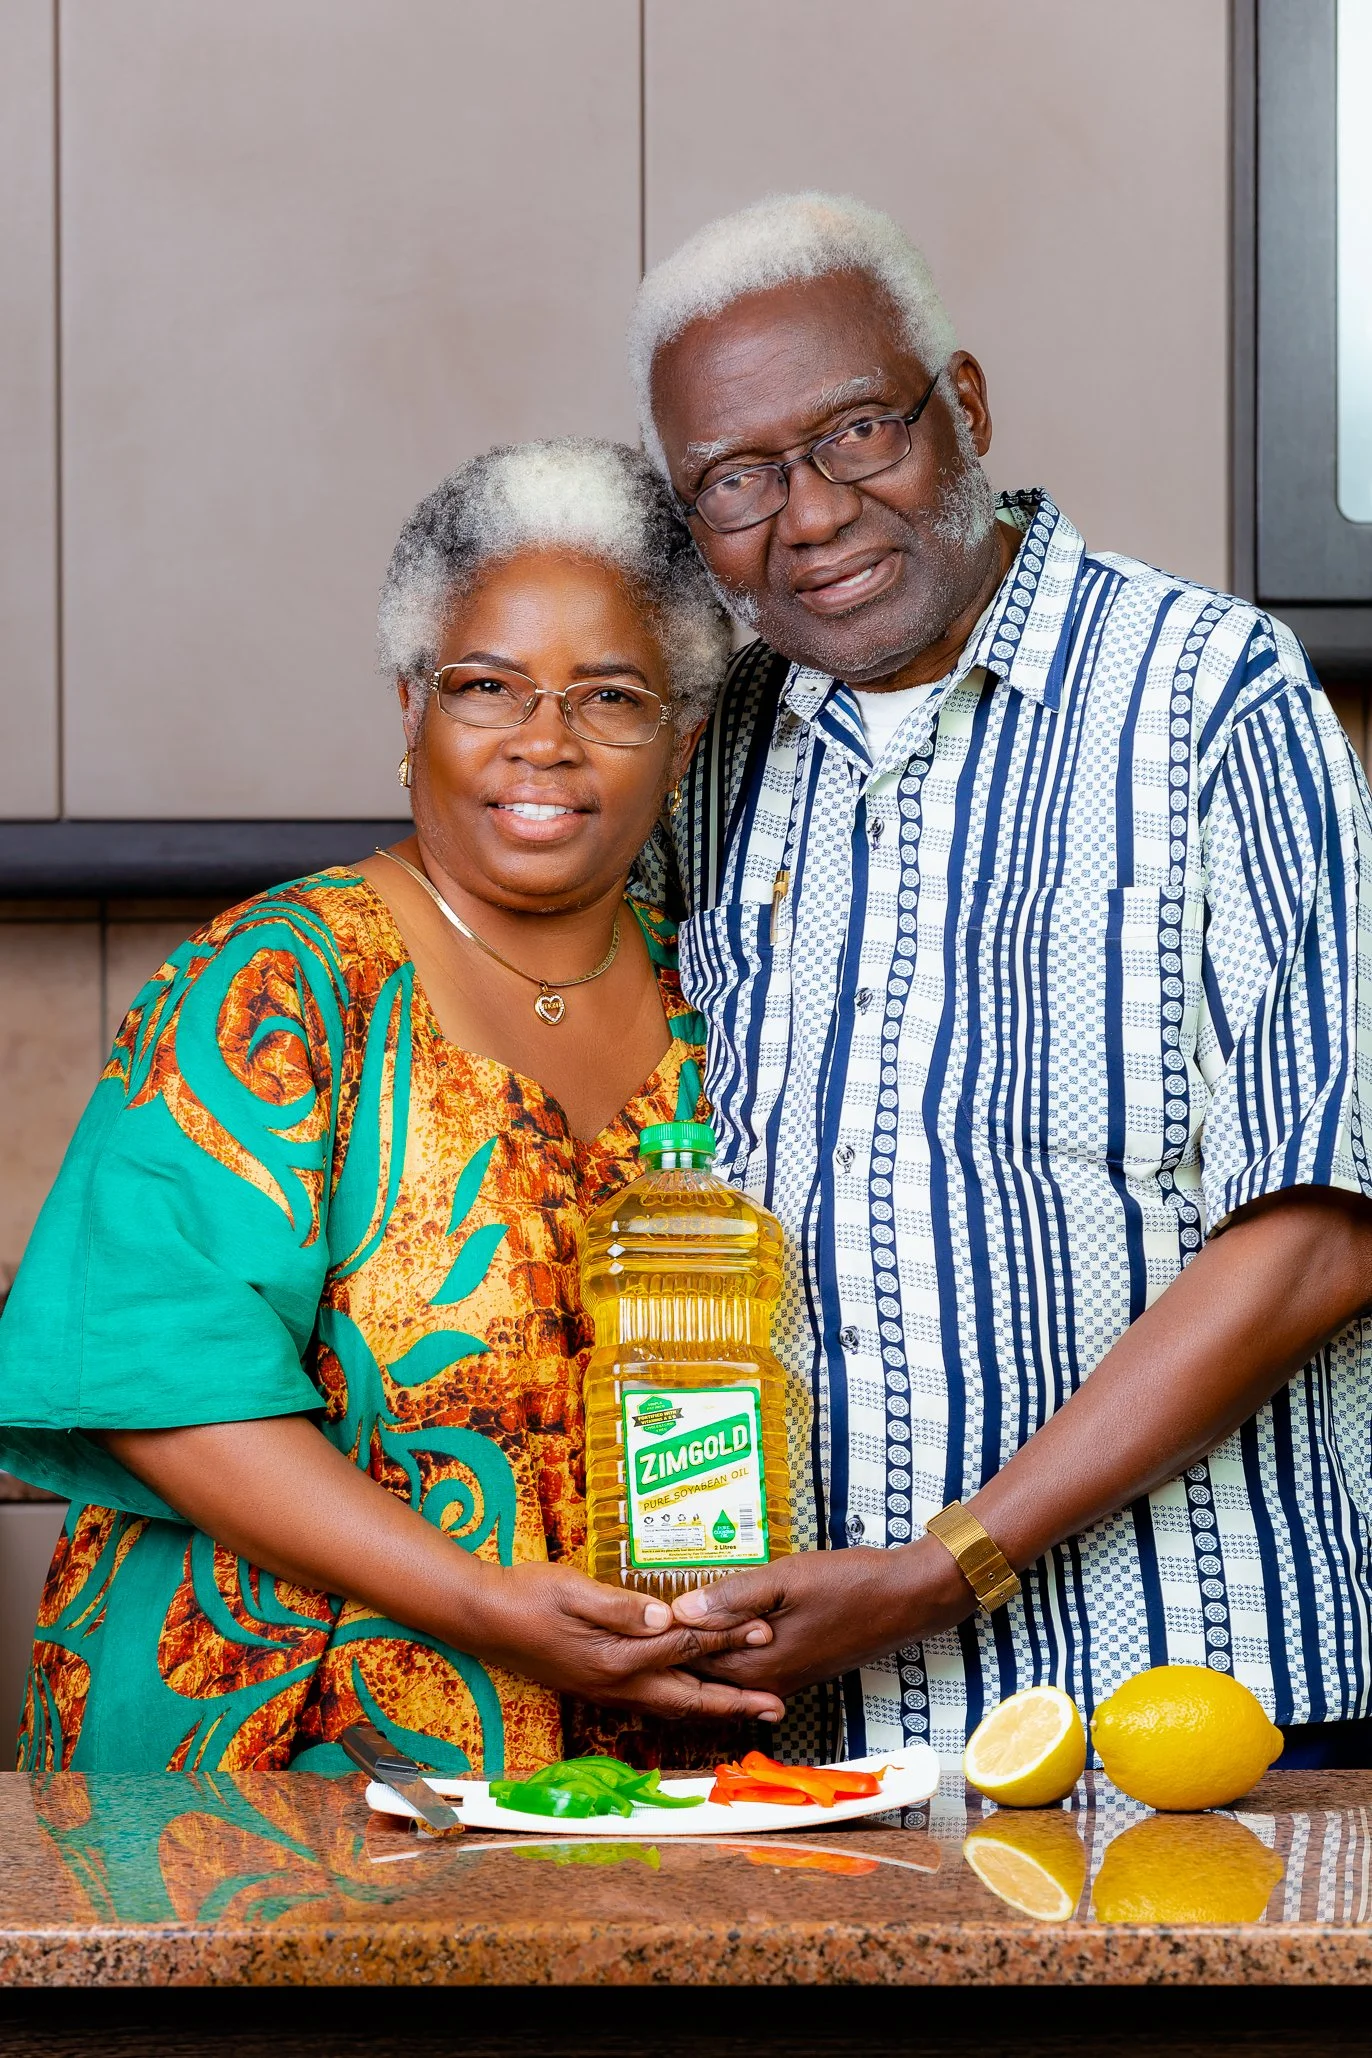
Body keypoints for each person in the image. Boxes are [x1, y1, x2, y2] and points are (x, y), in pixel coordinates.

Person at [626, 192, 1372, 1768]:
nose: (809, 514)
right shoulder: (705, 758)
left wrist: (936, 1568)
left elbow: (1320, 1235)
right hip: (809, 1746)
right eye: (736, 481)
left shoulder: (1209, 695)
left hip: (1197, 1705)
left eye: (853, 434)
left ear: (960, 405)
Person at [0, 438, 785, 1775]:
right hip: (271, 1776)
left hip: (640, 1788)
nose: (545, 741)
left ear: (684, 733)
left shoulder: (719, 996)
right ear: (411, 706)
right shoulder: (286, 985)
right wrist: (487, 1606)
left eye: (610, 694)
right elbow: (158, 1380)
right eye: (488, 687)